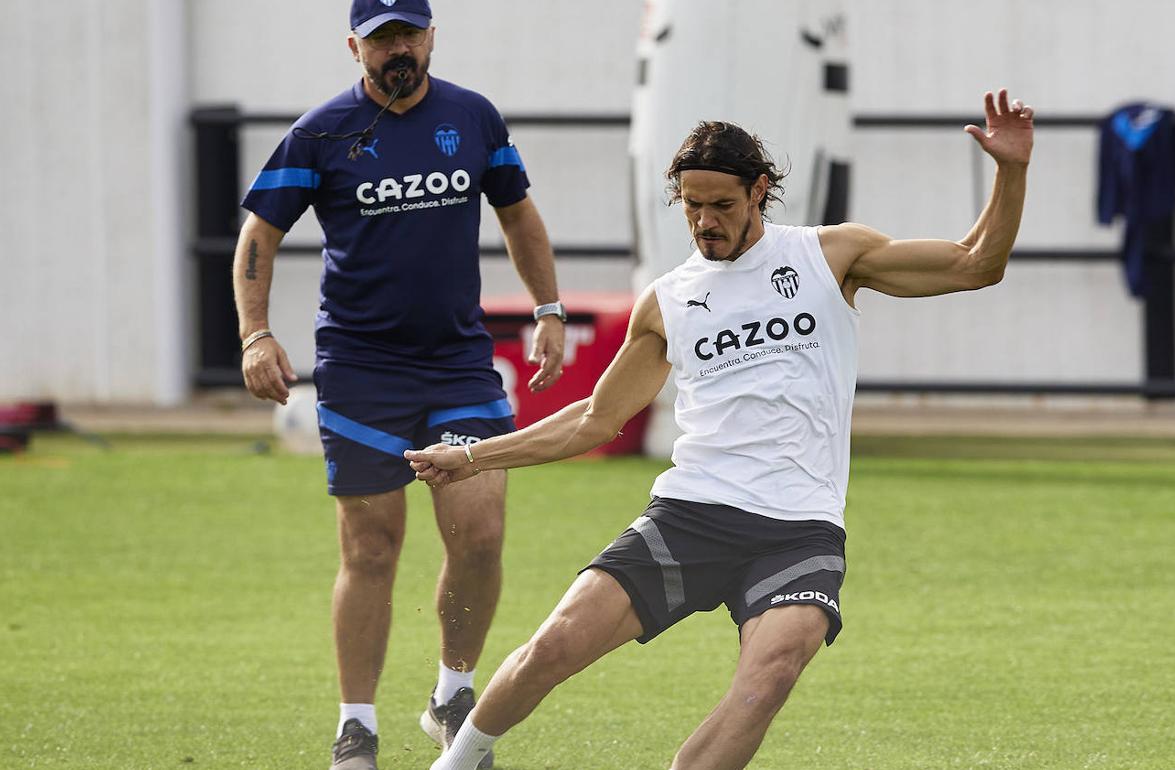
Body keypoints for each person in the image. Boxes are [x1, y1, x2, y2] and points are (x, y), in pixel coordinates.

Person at [406, 89, 1034, 769]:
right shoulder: (668, 300)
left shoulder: (831, 256)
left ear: (760, 191)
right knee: (553, 646)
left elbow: (977, 264)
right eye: (692, 205)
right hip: (690, 516)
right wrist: (473, 458)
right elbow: (595, 419)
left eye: (722, 206)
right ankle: (460, 758)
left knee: (767, 679)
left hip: (799, 526)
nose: (705, 221)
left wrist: (1011, 171)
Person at [231, 1, 567, 768]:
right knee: (372, 549)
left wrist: (549, 310)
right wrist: (256, 334)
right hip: (361, 370)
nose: (398, 50)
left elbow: (518, 216)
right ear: (355, 46)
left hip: (458, 363)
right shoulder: (320, 132)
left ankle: (452, 693)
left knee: (480, 534)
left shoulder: (474, 117)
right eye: (382, 39)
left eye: (409, 35)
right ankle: (357, 727)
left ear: (431, 38)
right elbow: (260, 231)